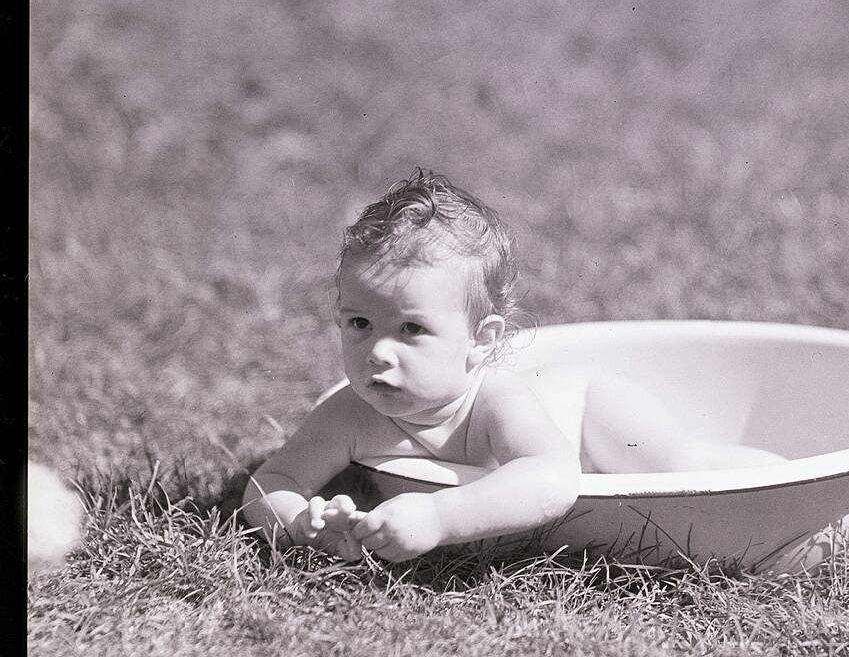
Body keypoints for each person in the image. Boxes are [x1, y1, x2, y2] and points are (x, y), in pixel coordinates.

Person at [241, 169, 782, 563]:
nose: (378, 352)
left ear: (481, 342)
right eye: (360, 323)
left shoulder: (496, 400)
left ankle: (792, 477)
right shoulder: (350, 414)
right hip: (557, 461)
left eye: (411, 330)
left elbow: (552, 479)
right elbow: (272, 482)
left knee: (678, 463)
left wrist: (437, 517)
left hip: (586, 418)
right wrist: (299, 522)